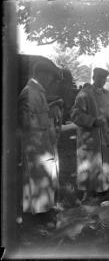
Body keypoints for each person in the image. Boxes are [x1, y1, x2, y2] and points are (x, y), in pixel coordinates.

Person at [18, 60, 61, 220]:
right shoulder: (29, 92)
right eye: (50, 76)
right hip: (35, 146)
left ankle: (45, 209)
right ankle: (40, 216)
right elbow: (24, 121)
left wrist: (50, 109)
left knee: (44, 177)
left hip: (43, 144)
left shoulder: (38, 91)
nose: (51, 80)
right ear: (41, 74)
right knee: (37, 178)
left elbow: (37, 113)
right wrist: (48, 114)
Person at [71, 67, 109, 201]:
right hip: (90, 137)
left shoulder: (108, 95)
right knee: (91, 164)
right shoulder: (84, 94)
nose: (102, 80)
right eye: (99, 77)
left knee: (104, 163)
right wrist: (92, 121)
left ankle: (104, 188)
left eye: (104, 78)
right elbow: (75, 115)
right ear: (94, 78)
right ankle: (89, 192)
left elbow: (108, 116)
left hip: (105, 136)